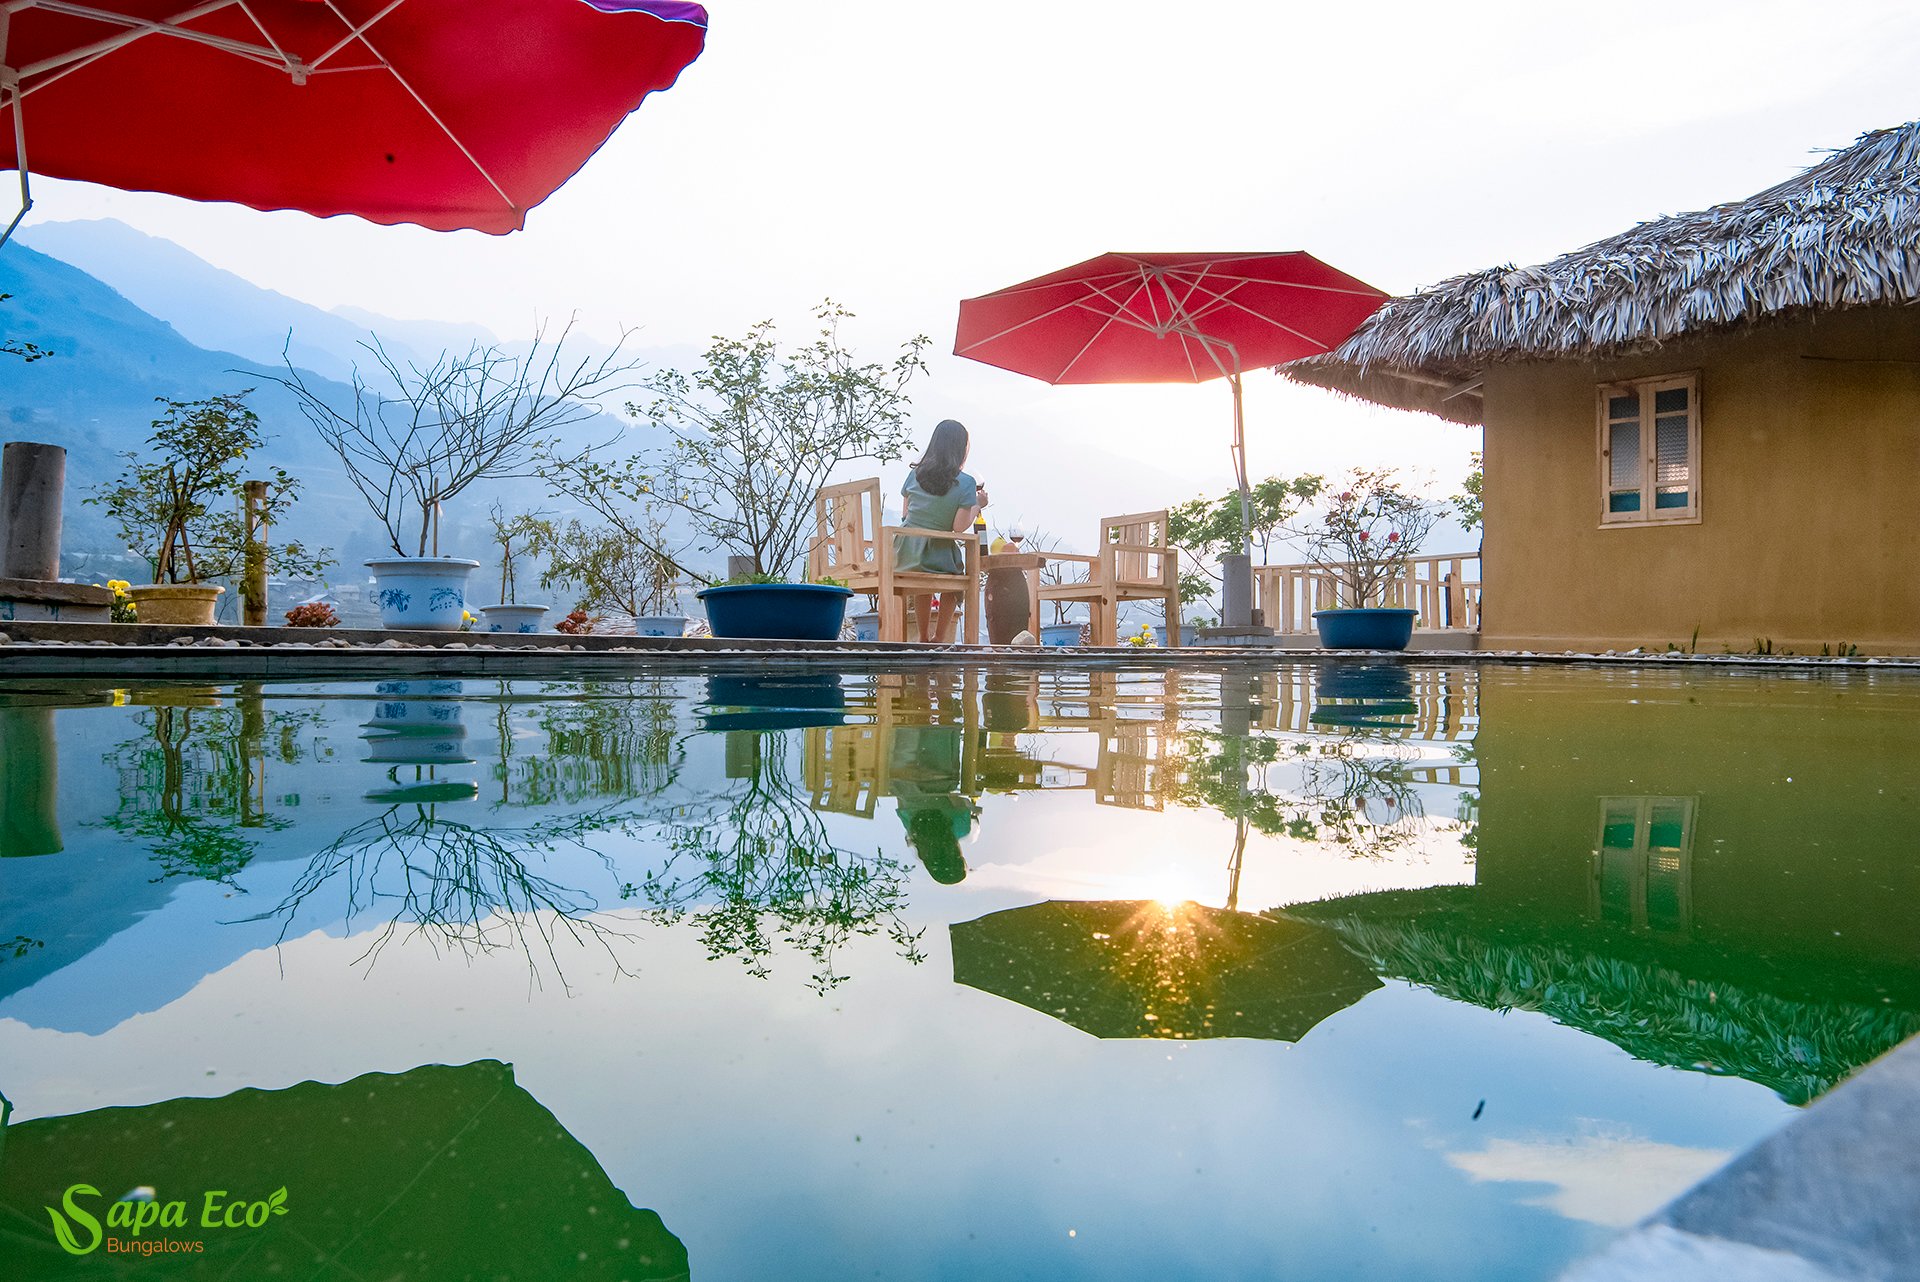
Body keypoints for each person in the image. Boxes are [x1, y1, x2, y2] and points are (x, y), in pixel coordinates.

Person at [896, 419, 988, 643]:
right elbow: (958, 528)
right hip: (936, 553)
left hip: (904, 553)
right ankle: (939, 637)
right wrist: (978, 505)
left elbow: (905, 515)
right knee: (956, 579)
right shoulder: (965, 483)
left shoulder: (915, 474)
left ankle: (923, 637)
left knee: (923, 585)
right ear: (960, 449)